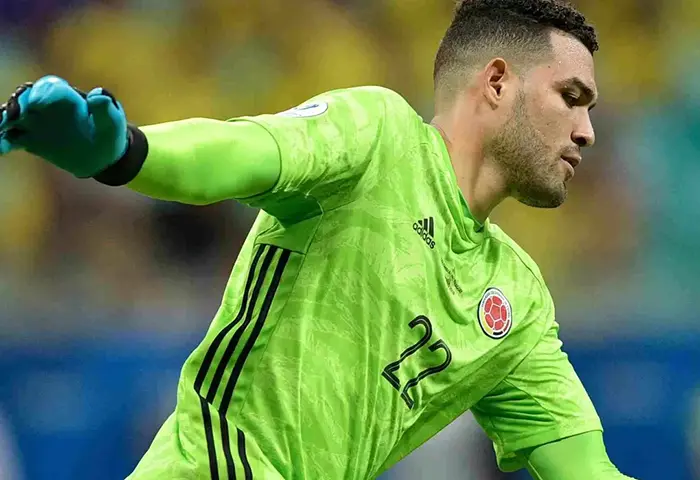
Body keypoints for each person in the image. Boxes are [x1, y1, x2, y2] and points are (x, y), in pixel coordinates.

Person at [0, 0, 636, 478]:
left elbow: (588, 470)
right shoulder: (380, 136)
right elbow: (236, 152)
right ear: (497, 83)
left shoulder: (517, 301)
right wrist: (121, 151)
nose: (587, 130)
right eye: (570, 97)